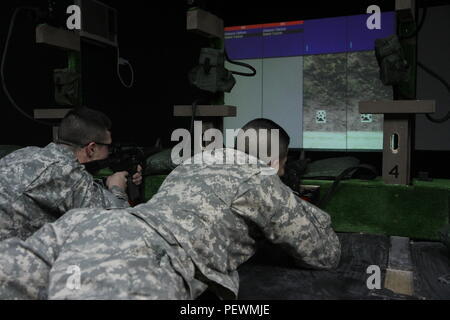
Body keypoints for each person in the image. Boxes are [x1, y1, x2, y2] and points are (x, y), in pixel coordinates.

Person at [0, 118, 340, 300]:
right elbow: (323, 254)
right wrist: (287, 192)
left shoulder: (195, 162)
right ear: (270, 159)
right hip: (143, 256)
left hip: (83, 228)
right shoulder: (260, 176)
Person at [0, 107, 142, 241]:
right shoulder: (68, 171)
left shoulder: (25, 153)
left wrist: (105, 182)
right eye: (108, 146)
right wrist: (117, 189)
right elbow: (120, 222)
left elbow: (64, 191)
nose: (110, 151)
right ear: (91, 148)